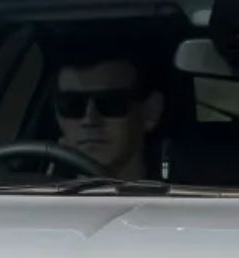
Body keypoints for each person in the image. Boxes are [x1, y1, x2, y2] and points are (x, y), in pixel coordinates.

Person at [51, 45, 164, 180]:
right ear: (58, 116)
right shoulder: (32, 195)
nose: (89, 120)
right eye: (72, 105)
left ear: (151, 111)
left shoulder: (186, 199)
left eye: (110, 103)